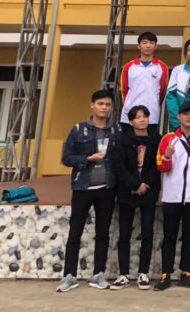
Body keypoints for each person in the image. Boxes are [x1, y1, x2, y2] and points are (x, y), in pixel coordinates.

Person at [57, 89, 119, 293]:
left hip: (107, 188)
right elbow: (66, 158)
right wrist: (87, 159)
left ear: (111, 108)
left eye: (108, 105)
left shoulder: (115, 131)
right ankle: (69, 275)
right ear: (92, 105)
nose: (104, 108)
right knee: (75, 231)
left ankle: (98, 274)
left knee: (103, 233)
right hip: (83, 187)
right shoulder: (79, 130)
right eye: (100, 104)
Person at [155, 101, 190, 291]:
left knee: (189, 236)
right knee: (169, 236)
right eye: (185, 113)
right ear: (178, 116)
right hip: (172, 195)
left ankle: (186, 272)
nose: (189, 117)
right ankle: (165, 274)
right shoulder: (168, 139)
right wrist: (167, 156)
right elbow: (161, 167)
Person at [113, 104, 160, 291]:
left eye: (145, 116)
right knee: (124, 233)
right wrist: (134, 185)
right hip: (127, 191)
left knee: (147, 233)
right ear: (131, 121)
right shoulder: (122, 140)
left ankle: (143, 273)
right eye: (137, 117)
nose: (142, 120)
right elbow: (119, 165)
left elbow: (158, 165)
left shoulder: (156, 139)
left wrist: (145, 184)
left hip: (148, 191)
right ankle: (123, 274)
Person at [120, 32, 169, 130]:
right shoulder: (129, 66)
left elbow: (162, 91)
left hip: (151, 115)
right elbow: (123, 90)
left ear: (156, 46)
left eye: (151, 43)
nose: (148, 46)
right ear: (139, 46)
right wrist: (128, 105)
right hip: (130, 115)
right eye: (144, 43)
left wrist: (154, 103)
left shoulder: (162, 67)